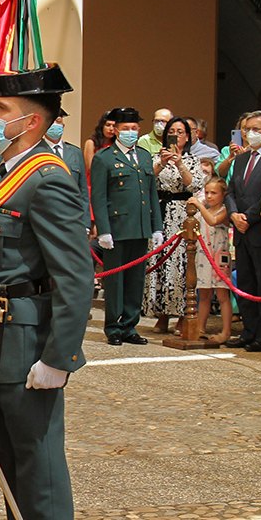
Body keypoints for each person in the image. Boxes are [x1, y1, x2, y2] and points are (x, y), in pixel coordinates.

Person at [0, 64, 91, 520]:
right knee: (10, 458)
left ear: (31, 121)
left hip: (28, 341)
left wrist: (59, 357)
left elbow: (75, 278)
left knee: (39, 462)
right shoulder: (2, 173)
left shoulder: (47, 179)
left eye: (0, 109)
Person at [91, 107, 163, 346]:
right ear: (116, 131)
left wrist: (157, 226)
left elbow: (151, 193)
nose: (130, 132)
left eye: (133, 128)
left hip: (140, 227)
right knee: (116, 280)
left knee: (136, 280)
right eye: (125, 129)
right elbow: (99, 197)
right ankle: (113, 327)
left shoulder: (144, 156)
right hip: (117, 228)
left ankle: (130, 326)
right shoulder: (104, 157)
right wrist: (103, 230)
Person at [225, 110, 261, 352]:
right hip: (240, 231)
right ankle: (248, 332)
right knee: (245, 283)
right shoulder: (241, 159)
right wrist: (233, 214)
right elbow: (230, 192)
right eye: (247, 129)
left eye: (255, 129)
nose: (250, 134)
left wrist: (247, 217)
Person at [143, 117, 206, 334]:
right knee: (159, 263)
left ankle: (181, 314)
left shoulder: (192, 160)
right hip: (160, 211)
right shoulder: (154, 157)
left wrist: (179, 163)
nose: (176, 135)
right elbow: (146, 180)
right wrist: (162, 162)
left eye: (181, 132)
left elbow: (196, 184)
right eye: (172, 131)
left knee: (180, 265)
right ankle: (161, 314)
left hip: (182, 215)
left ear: (188, 136)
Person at [190, 177, 232, 344]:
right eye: (207, 192)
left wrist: (199, 205)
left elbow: (213, 221)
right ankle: (200, 327)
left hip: (218, 257)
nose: (209, 196)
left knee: (222, 295)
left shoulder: (224, 210)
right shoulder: (203, 212)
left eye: (214, 193)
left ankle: (226, 330)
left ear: (223, 194)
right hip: (203, 257)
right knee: (205, 293)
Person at [43, 111, 90, 230]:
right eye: (52, 121)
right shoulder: (37, 150)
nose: (55, 125)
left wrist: (86, 223)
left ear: (63, 125)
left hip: (72, 217)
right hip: (45, 217)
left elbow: (83, 191)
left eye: (58, 121)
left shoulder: (75, 152)